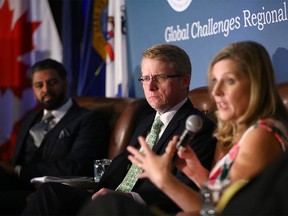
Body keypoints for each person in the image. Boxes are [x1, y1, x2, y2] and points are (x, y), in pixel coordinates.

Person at [77, 41, 288, 215]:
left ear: (255, 85)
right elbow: (215, 205)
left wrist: (164, 179)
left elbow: (227, 212)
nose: (217, 91)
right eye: (214, 81)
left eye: (229, 81)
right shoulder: (247, 135)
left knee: (111, 207)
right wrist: (198, 175)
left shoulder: (262, 135)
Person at [22, 44, 217, 215]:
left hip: (143, 207)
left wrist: (128, 197)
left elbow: (186, 189)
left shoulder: (196, 128)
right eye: (145, 78)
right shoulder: (145, 120)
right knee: (50, 192)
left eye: (160, 77)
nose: (150, 87)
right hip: (107, 196)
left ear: (184, 80)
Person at [0, 58, 110, 214]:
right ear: (33, 90)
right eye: (39, 85)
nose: (46, 89)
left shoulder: (88, 120)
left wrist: (19, 170)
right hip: (19, 186)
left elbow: (77, 166)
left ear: (65, 84)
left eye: (52, 83)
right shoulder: (30, 119)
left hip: (52, 192)